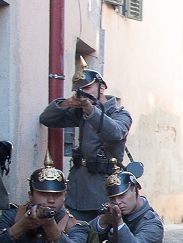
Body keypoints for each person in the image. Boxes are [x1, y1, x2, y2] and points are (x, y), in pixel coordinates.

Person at [39, 68, 132, 221]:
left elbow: (115, 133)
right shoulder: (81, 112)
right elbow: (47, 119)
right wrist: (68, 103)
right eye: (79, 89)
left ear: (101, 88)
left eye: (87, 87)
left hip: (105, 186)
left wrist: (90, 109)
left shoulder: (119, 114)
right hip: (79, 186)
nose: (84, 92)